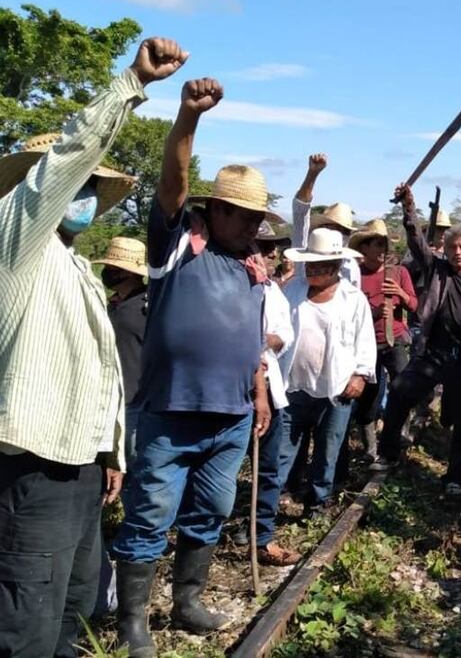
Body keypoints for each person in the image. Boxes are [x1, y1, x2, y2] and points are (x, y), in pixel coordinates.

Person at [0, 37, 184, 657]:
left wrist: (110, 451)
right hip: (32, 462)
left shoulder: (73, 263)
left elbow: (96, 370)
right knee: (27, 613)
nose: (83, 192)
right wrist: (131, 83)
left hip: (76, 461)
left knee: (75, 601)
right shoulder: (16, 241)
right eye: (78, 182)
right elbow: (62, 163)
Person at [111, 78, 275, 656]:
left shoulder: (252, 266)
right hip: (171, 412)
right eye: (245, 215)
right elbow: (172, 182)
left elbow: (251, 339)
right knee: (150, 516)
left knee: (211, 511)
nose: (254, 225)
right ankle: (133, 623)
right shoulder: (179, 245)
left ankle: (187, 602)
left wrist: (258, 391)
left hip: (231, 418)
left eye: (258, 216)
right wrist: (188, 117)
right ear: (215, 209)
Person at [372, 184, 461, 497]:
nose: (457, 252)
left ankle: (455, 476)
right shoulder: (435, 268)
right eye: (452, 247)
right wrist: (409, 208)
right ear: (445, 248)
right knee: (400, 391)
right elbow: (416, 241)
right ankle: (387, 453)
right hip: (432, 352)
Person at [276, 229, 376, 517]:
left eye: (321, 266)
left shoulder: (353, 298)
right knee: (283, 451)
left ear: (335, 267)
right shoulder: (292, 291)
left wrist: (360, 375)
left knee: (327, 451)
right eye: (310, 265)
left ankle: (318, 504)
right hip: (294, 386)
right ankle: (272, 502)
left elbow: (365, 339)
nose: (313, 271)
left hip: (336, 387)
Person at [239, 220, 300, 566]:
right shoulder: (226, 283)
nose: (271, 254)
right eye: (264, 247)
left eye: (272, 248)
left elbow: (283, 334)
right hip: (228, 391)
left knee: (267, 468)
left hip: (268, 390)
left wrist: (261, 342)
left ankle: (261, 536)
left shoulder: (272, 291)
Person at [349, 219, 417, 465]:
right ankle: (370, 448)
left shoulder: (399, 273)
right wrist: (373, 313)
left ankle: (400, 434)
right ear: (364, 248)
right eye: (377, 244)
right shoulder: (355, 275)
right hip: (367, 344)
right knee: (368, 396)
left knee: (403, 388)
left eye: (384, 244)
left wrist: (400, 293)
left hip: (395, 339)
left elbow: (414, 305)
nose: (382, 250)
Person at [93, 237, 150, 462]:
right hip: (108, 398)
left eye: (113, 269)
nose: (107, 273)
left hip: (136, 401)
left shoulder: (149, 305)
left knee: (133, 464)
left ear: (129, 273)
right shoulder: (111, 304)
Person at [291, 153, 361, 286]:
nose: (340, 235)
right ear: (322, 229)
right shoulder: (304, 252)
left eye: (345, 231)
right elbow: (300, 209)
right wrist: (312, 174)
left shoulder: (351, 266)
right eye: (335, 229)